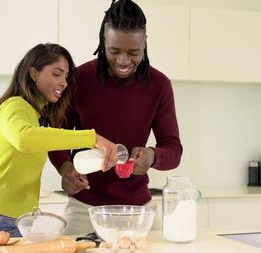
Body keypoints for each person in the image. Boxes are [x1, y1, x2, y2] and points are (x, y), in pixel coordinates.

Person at [48, 0, 183, 235]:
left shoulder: (159, 85)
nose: (123, 61)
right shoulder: (79, 79)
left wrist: (151, 156)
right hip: (84, 208)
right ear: (103, 41)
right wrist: (65, 169)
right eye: (114, 51)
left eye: (133, 52)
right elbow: (57, 138)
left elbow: (173, 150)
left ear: (145, 43)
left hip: (139, 211)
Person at [0, 43, 119, 240]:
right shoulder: (15, 106)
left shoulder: (32, 116)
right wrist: (92, 138)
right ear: (33, 74)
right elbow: (24, 138)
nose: (64, 82)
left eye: (66, 76)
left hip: (11, 220)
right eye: (56, 74)